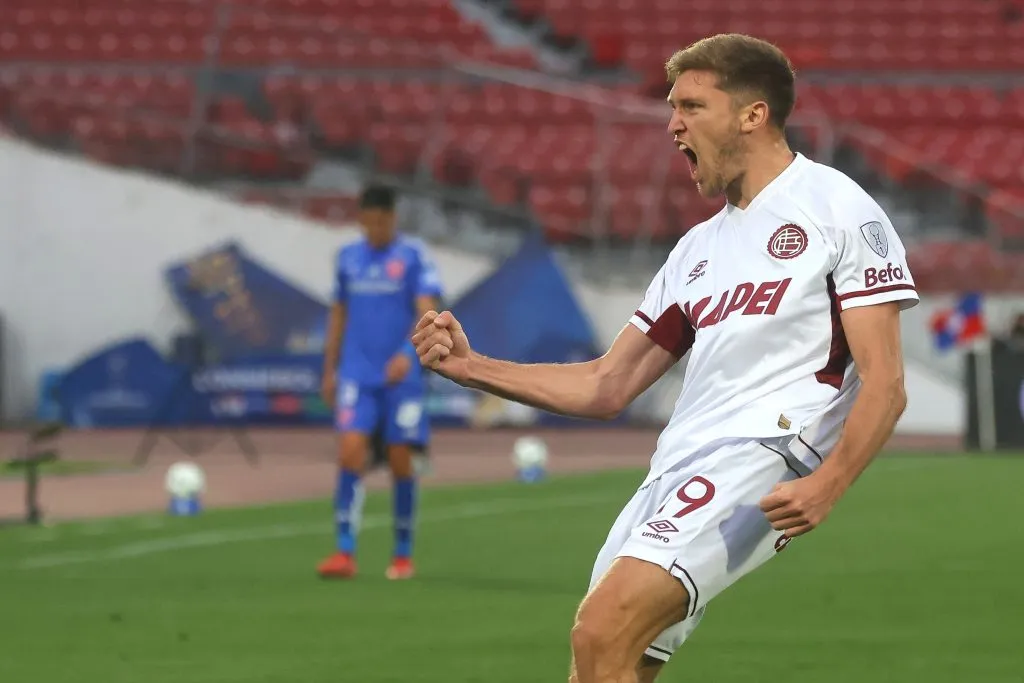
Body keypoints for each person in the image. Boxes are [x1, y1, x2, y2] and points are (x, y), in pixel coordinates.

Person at [412, 33, 917, 683]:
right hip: (673, 473)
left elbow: (887, 383)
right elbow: (606, 383)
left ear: (753, 114)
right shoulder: (695, 251)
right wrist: (472, 367)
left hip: (764, 465)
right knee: (604, 659)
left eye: (691, 106)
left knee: (604, 627)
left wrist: (828, 484)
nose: (673, 124)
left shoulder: (836, 208)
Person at [318, 184, 443, 581]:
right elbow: (339, 314)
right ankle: (344, 550)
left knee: (401, 458)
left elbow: (428, 310)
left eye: (381, 221)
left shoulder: (413, 258)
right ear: (360, 220)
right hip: (357, 372)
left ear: (393, 218)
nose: (375, 229)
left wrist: (409, 356)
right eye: (368, 222)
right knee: (350, 450)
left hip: (400, 377)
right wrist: (330, 369)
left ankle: (403, 552)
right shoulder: (348, 259)